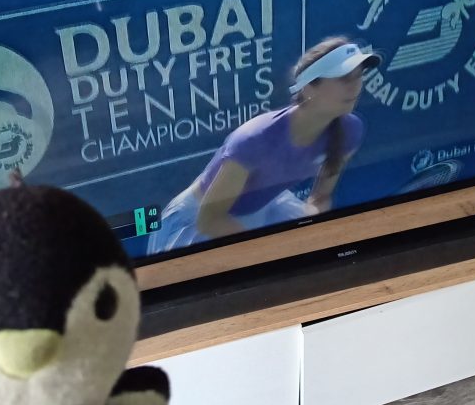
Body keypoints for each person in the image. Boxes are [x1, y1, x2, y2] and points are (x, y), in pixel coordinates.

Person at [147, 37, 380, 254]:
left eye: (358, 76)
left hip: (265, 210)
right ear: (310, 87)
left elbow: (321, 197)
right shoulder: (254, 138)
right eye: (343, 78)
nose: (355, 86)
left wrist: (311, 225)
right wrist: (267, 251)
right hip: (198, 221)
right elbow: (209, 221)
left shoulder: (351, 131)